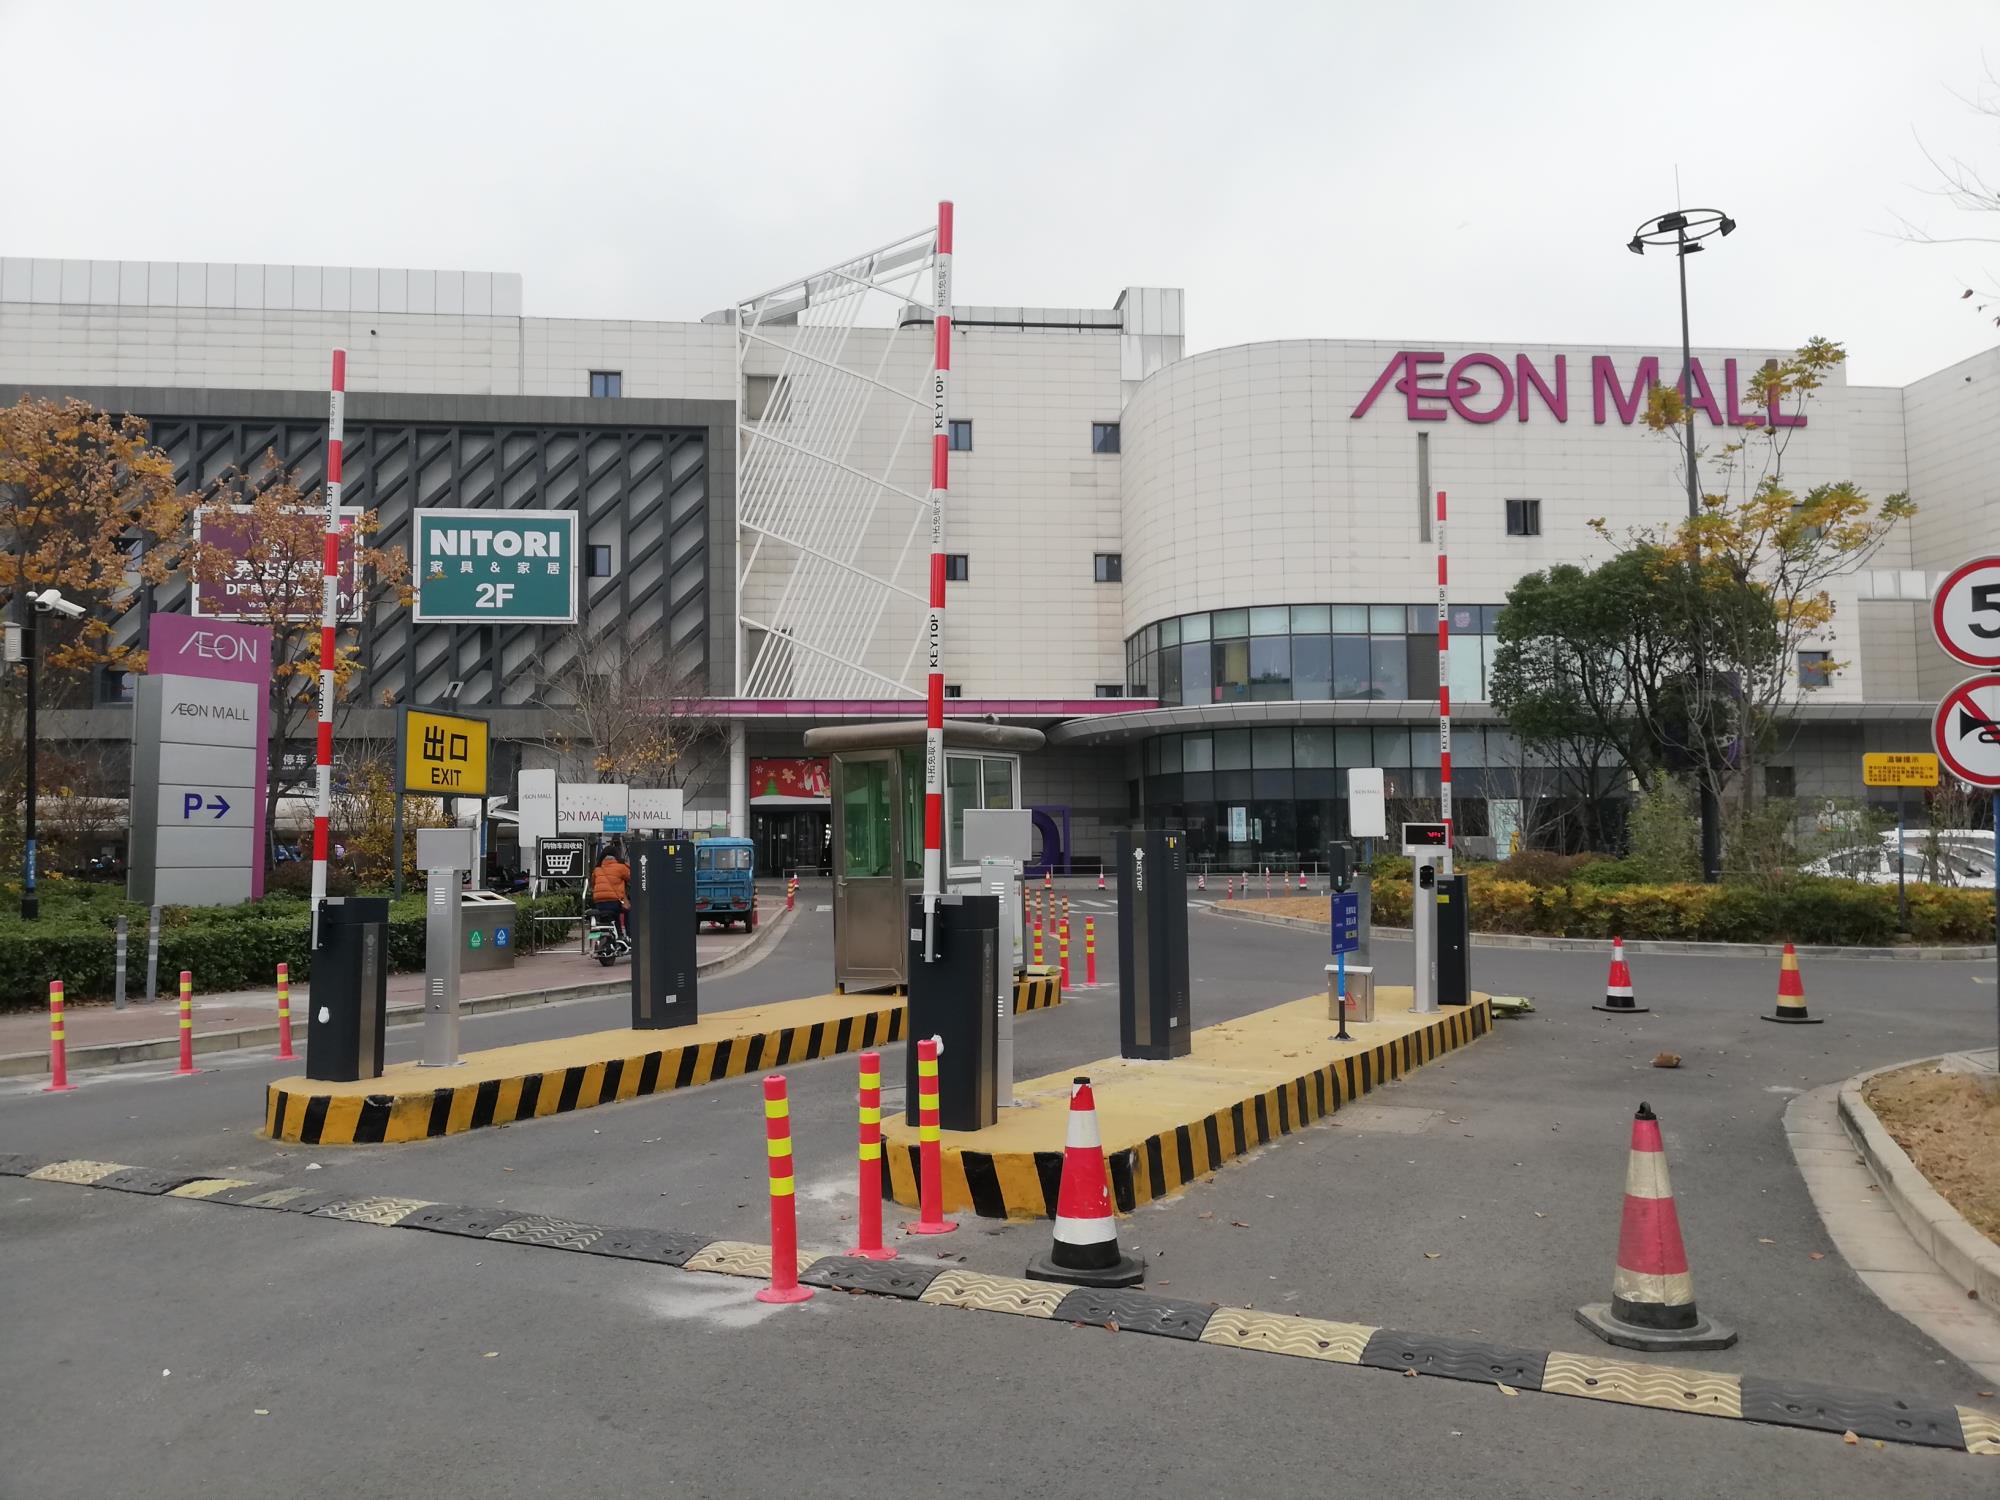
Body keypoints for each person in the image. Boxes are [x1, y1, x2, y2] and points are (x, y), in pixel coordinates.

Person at [591, 847, 631, 937]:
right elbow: (631, 876)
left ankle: (597, 938)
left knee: (603, 918)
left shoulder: (597, 869)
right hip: (614, 901)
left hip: (599, 902)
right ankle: (629, 935)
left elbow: (593, 884)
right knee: (628, 911)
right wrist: (625, 863)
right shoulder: (621, 867)